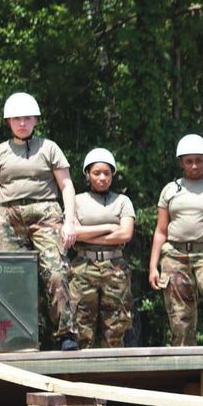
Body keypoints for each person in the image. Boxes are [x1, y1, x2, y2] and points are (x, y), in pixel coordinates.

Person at [0, 92, 80, 351]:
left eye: (26, 118)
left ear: (35, 120)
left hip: (45, 213)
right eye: (16, 118)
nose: (21, 123)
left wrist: (69, 222)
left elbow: (66, 185)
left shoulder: (48, 148)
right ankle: (22, 336)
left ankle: (66, 333)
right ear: (8, 121)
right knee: (14, 278)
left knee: (55, 271)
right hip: (10, 216)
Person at [147, 135, 203, 346]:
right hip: (175, 255)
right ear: (181, 162)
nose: (194, 165)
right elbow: (160, 231)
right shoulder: (170, 190)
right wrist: (153, 266)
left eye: (199, 160)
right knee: (180, 318)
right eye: (189, 161)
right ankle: (185, 365)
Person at [69, 148, 135, 348]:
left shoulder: (122, 201)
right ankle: (78, 375)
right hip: (83, 266)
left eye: (107, 173)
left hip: (115, 266)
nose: (102, 177)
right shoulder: (76, 201)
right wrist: (108, 228)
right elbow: (72, 233)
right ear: (87, 174)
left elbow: (125, 234)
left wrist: (86, 233)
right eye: (97, 173)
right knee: (81, 323)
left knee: (116, 324)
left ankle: (113, 375)